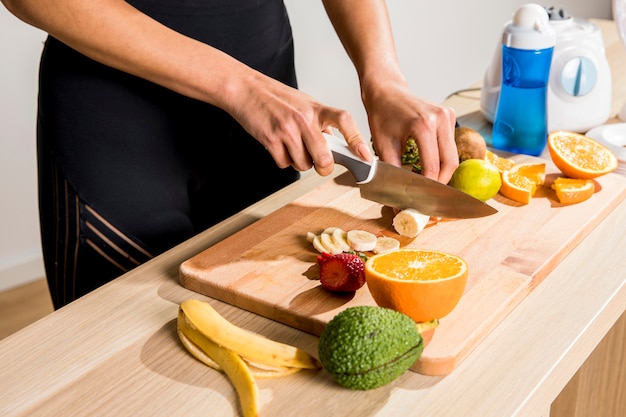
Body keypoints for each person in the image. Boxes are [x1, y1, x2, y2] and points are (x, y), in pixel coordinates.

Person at [1, 0, 458, 309]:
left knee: (266, 323)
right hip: (116, 122)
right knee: (110, 364)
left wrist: (383, 78)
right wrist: (242, 86)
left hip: (264, 116)